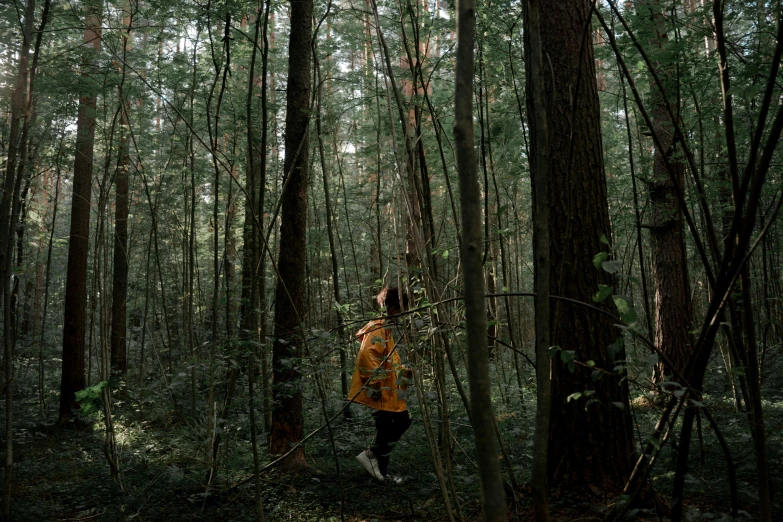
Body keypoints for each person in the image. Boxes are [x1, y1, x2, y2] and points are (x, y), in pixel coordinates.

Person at [348, 286, 412, 482]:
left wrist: (405, 374)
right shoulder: (378, 327)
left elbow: (388, 360)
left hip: (388, 390)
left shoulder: (385, 328)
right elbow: (367, 356)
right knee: (398, 423)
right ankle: (371, 457)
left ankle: (381, 474)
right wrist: (375, 384)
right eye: (401, 310)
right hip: (381, 391)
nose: (402, 315)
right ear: (393, 309)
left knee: (387, 428)